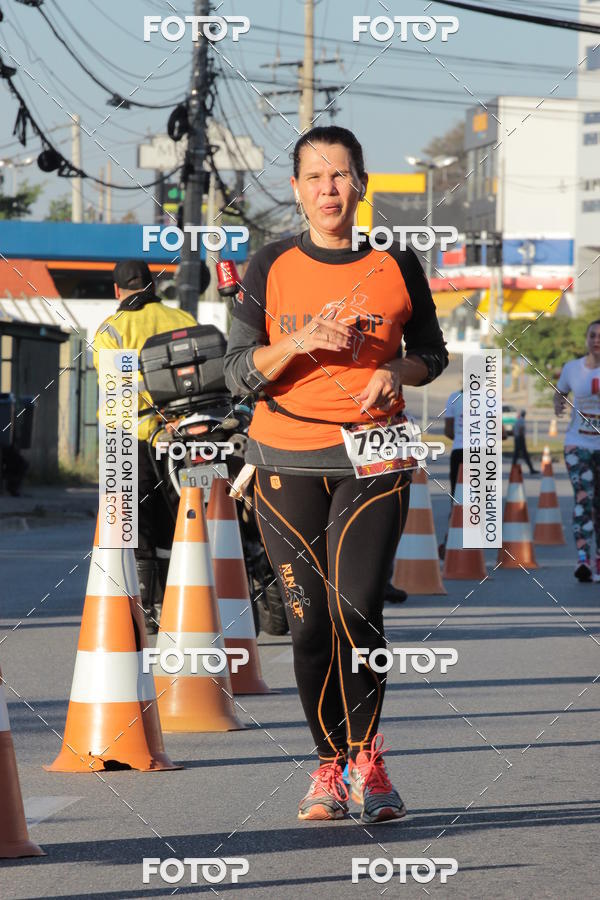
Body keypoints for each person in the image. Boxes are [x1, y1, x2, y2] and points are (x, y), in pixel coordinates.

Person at [224, 125, 448, 824]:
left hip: (373, 456)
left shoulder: (397, 262)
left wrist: (393, 370)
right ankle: (328, 765)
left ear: (362, 185)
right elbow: (235, 370)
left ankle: (369, 761)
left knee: (359, 608)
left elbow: (431, 353)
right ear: (296, 189)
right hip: (284, 458)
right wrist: (298, 339)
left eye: (342, 175)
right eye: (316, 177)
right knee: (310, 624)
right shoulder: (268, 265)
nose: (329, 188)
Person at [92, 260, 197, 630]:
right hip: (184, 437)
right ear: (153, 285)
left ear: (117, 291)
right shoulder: (183, 319)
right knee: (181, 519)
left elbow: (116, 392)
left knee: (133, 526)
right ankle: (180, 602)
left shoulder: (113, 330)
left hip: (130, 440)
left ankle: (146, 607)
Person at [555, 319, 600, 582]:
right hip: (578, 444)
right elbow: (559, 392)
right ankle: (583, 559)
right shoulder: (573, 369)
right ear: (586, 339)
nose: (597, 340)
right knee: (584, 499)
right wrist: (558, 404)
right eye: (592, 335)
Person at [438, 386, 463, 560]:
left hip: (459, 453)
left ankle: (450, 541)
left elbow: (448, 431)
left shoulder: (454, 397)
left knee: (456, 499)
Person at [512, 410, 538, 474]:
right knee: (524, 455)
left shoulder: (517, 420)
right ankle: (531, 469)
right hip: (520, 439)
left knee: (516, 455)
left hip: (517, 438)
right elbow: (521, 429)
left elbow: (514, 429)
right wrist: (522, 437)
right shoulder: (522, 420)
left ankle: (513, 469)